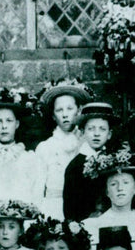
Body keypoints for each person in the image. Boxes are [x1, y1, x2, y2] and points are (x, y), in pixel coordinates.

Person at [80, 145, 135, 250]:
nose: (120, 188)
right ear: (107, 192)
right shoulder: (91, 225)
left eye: (125, 183)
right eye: (113, 184)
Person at [0, 88, 44, 205]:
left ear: (17, 124)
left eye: (9, 121)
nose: (4, 126)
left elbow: (37, 196)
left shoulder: (31, 159)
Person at [34, 79, 92, 219]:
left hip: (83, 206)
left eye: (70, 109)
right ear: (53, 116)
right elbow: (38, 187)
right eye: (59, 110)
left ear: (78, 111)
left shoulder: (88, 144)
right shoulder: (45, 147)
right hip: (54, 207)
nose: (65, 114)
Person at [63, 101, 118, 222]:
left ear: (109, 134)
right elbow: (70, 210)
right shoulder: (75, 167)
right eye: (91, 129)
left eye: (102, 129)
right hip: (87, 224)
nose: (97, 133)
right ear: (83, 132)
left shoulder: (115, 161)